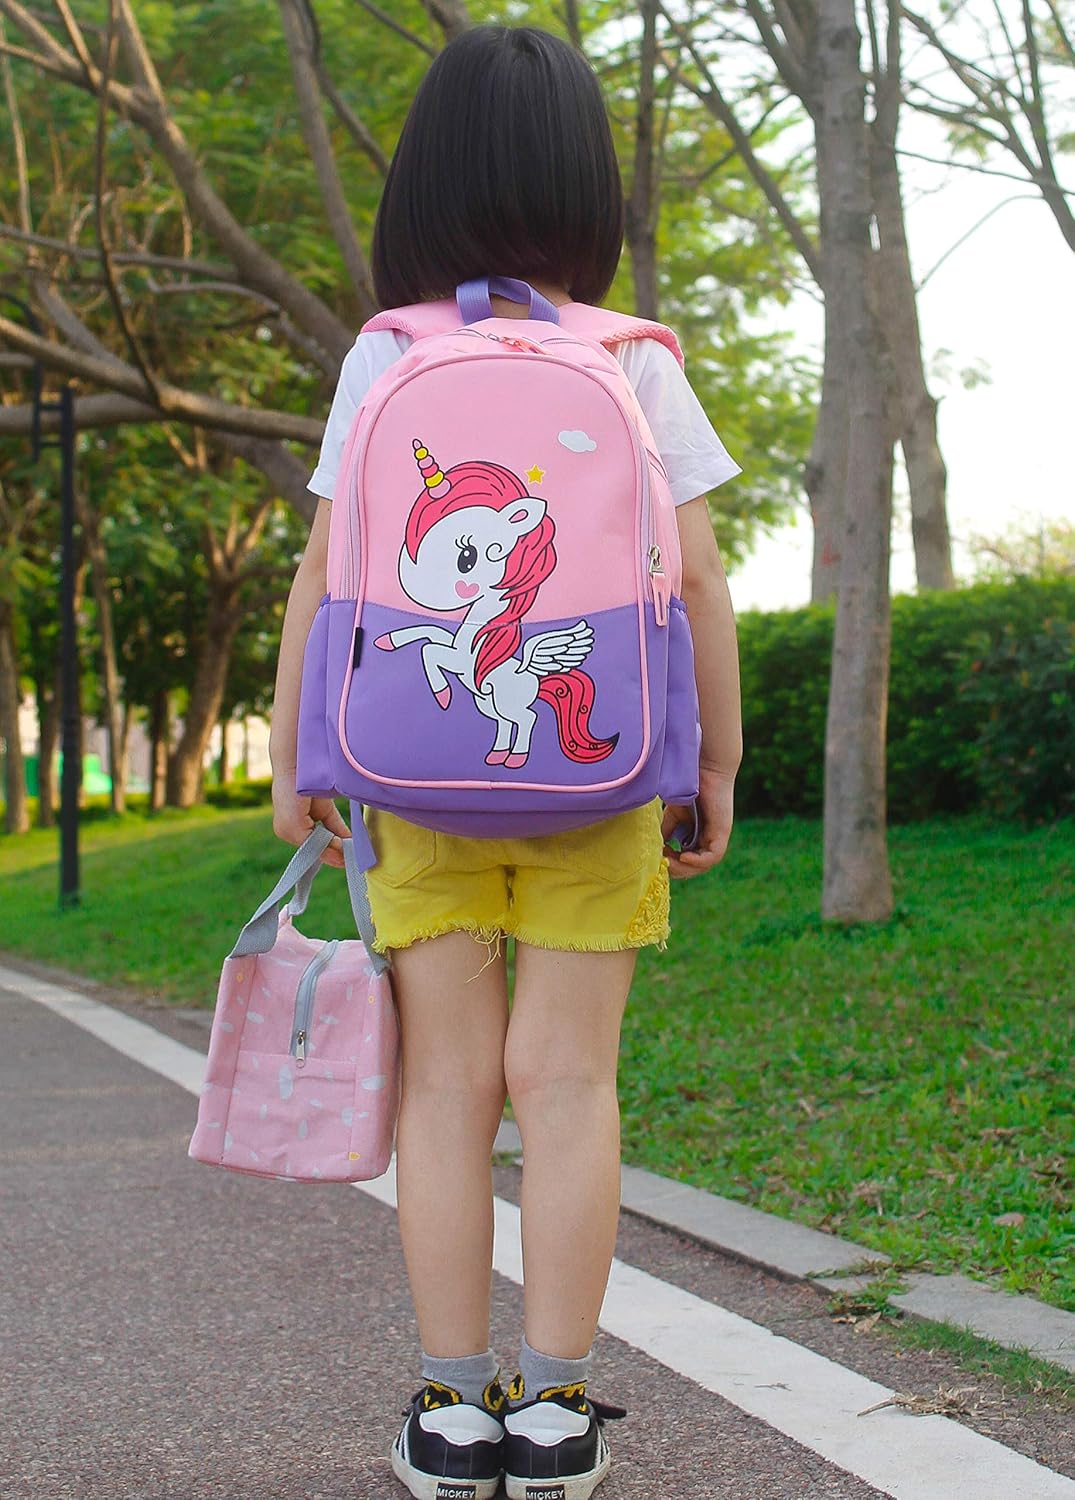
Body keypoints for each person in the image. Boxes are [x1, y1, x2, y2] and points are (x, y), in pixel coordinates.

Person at [269, 24, 743, 1500]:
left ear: (421, 187)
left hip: (416, 787)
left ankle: (451, 1404)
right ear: (590, 190)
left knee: (448, 1089)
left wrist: (299, 755)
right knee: (570, 1083)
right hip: (596, 790)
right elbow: (699, 579)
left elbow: (321, 571)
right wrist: (715, 760)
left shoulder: (387, 354)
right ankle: (556, 1409)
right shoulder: (634, 358)